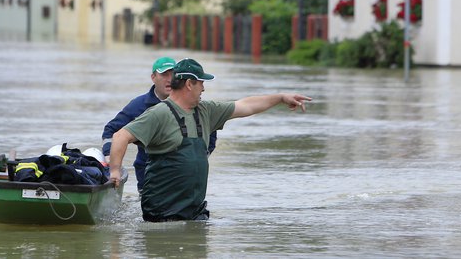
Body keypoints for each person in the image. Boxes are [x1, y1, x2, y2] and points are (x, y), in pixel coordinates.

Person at [108, 58, 311, 222]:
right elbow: (120, 136)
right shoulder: (158, 113)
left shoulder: (206, 110)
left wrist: (281, 97)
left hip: (195, 210)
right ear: (189, 84)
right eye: (201, 83)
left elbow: (246, 106)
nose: (204, 88)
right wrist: (115, 170)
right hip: (162, 211)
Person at [101, 56, 218, 191]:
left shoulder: (194, 104)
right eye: (164, 74)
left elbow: (210, 132)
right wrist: (110, 158)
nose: (169, 79)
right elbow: (112, 130)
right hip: (149, 178)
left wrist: (197, 160)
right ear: (153, 77)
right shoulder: (139, 106)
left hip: (184, 179)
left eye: (172, 74)